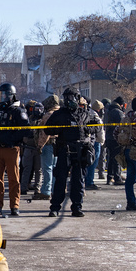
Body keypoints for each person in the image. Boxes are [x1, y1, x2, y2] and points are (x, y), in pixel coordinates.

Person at [44, 88, 99, 218]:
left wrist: (86, 129)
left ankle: (77, 207)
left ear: (77, 97)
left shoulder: (85, 113)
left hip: (80, 150)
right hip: (65, 149)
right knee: (60, 179)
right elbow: (47, 130)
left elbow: (97, 126)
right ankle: (55, 207)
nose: (69, 100)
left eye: (71, 97)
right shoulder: (59, 114)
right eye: (66, 97)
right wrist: (59, 128)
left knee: (78, 180)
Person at [0, 83, 30, 216]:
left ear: (11, 96)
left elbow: (27, 131)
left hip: (11, 149)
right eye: (0, 95)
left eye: (4, 95)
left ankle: (14, 206)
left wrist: (10, 138)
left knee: (13, 179)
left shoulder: (18, 111)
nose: (1, 98)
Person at [35, 95, 59, 201]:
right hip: (58, 145)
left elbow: (45, 133)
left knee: (47, 168)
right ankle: (54, 189)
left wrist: (40, 145)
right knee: (54, 168)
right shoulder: (60, 113)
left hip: (48, 144)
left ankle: (46, 191)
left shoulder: (48, 115)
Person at [104, 97, 127, 186]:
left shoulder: (108, 110)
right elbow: (123, 125)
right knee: (117, 158)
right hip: (116, 138)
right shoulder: (118, 112)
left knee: (110, 158)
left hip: (109, 137)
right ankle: (117, 178)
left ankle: (110, 177)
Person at [85, 99, 106, 190]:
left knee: (86, 162)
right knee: (93, 162)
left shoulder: (86, 114)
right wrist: (102, 142)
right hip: (95, 142)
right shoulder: (96, 117)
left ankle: (85, 180)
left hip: (86, 141)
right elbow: (100, 132)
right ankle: (89, 182)